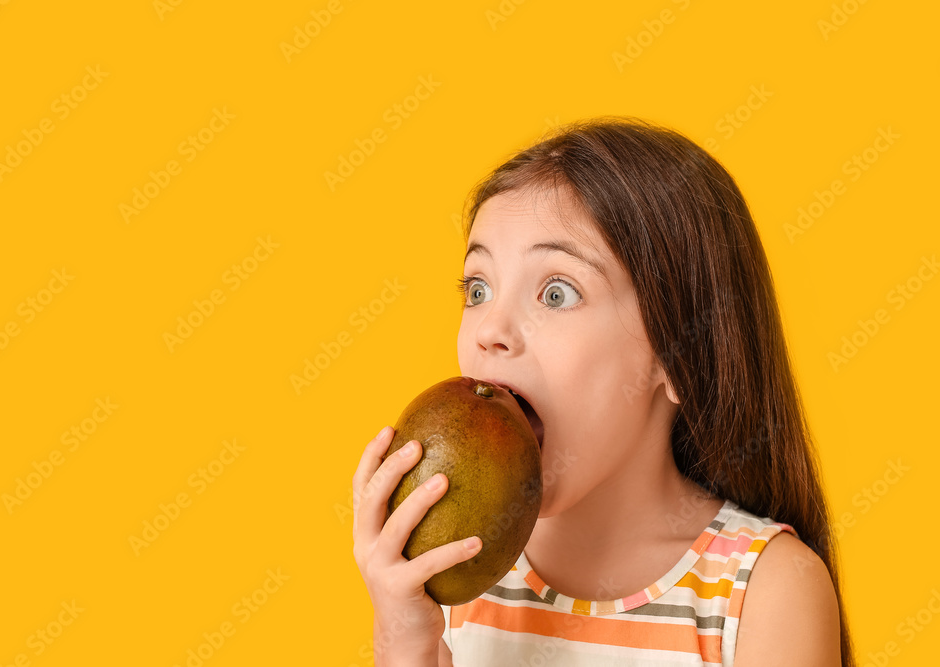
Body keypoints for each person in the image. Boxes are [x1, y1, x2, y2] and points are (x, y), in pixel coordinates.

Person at [352, 117, 854, 666]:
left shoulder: (766, 592)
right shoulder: (451, 578)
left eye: (557, 293)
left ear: (678, 353)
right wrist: (402, 643)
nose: (489, 329)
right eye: (478, 288)